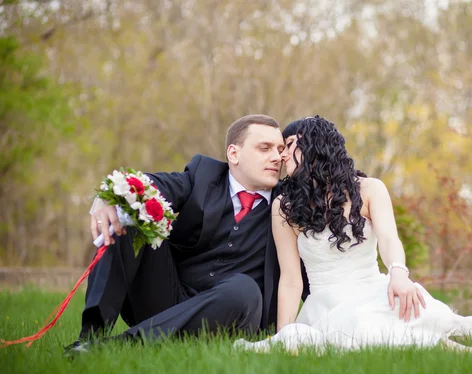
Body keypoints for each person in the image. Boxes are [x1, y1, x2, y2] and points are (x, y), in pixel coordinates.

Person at [235, 116, 472, 355]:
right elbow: (291, 278)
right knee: (367, 328)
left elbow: (390, 240)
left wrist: (398, 273)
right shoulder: (284, 207)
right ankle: (470, 354)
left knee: (410, 315)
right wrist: (284, 333)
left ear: (314, 146)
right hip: (328, 302)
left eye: (289, 145)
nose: (282, 154)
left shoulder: (370, 189)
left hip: (373, 287)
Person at [66, 114, 309, 352]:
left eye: (279, 149)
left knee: (243, 289)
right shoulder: (203, 177)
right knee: (130, 213)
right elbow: (150, 184)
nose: (277, 157)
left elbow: (314, 264)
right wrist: (109, 197)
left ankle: (116, 347)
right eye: (264, 148)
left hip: (231, 313)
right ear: (233, 154)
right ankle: (89, 337)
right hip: (166, 300)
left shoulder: (290, 203)